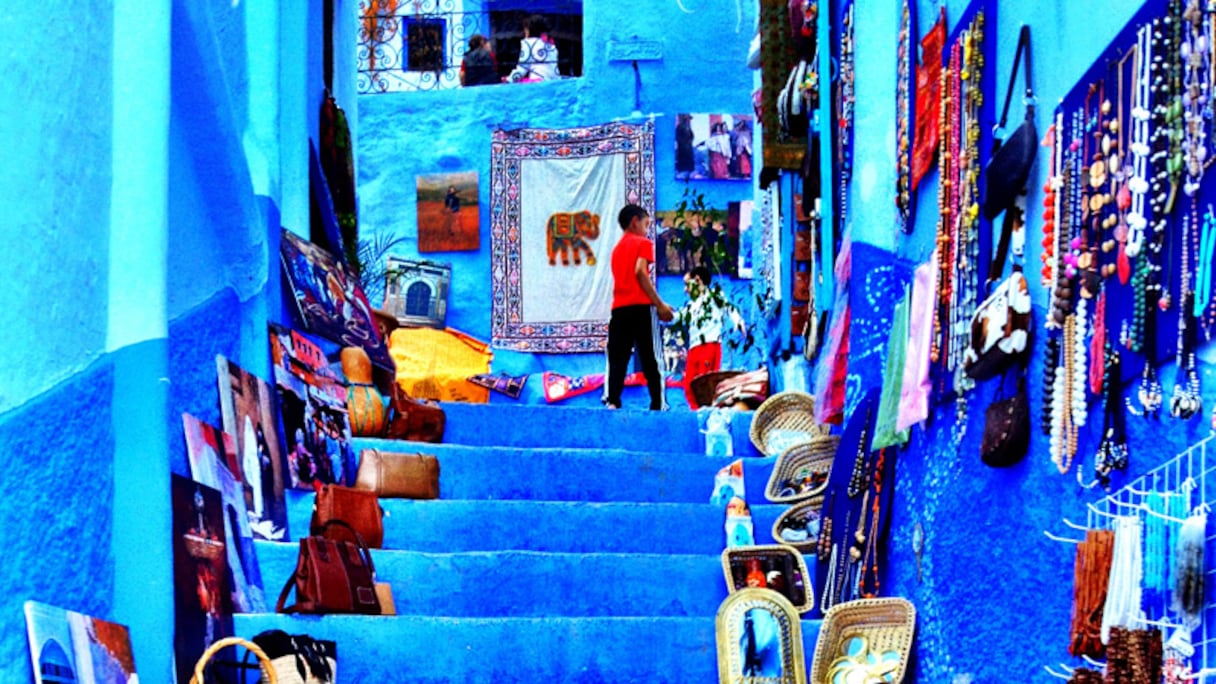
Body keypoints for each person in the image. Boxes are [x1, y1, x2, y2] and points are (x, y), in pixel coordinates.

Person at [605, 204, 674, 410]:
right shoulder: (643, 243)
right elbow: (640, 273)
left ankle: (613, 401)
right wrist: (660, 305)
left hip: (619, 310)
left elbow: (629, 280)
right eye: (646, 224)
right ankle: (658, 403)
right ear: (635, 221)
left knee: (618, 357)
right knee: (651, 356)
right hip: (641, 309)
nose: (647, 229)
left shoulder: (616, 250)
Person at [680, 266, 746, 408]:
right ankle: (696, 413)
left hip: (709, 345)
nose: (685, 290)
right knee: (689, 386)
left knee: (705, 385)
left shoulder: (714, 296)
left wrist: (738, 321)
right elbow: (677, 318)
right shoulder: (690, 306)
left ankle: (707, 413)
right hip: (693, 348)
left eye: (687, 285)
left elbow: (729, 308)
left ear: (697, 280)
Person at [508, 15, 559, 82]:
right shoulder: (550, 44)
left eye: (525, 29)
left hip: (537, 84)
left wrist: (509, 80)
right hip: (554, 82)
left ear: (529, 30)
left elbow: (522, 68)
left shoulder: (528, 44)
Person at [676, 115, 696, 179]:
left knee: (689, 159)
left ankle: (689, 171)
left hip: (688, 146)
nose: (689, 120)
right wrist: (683, 143)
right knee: (683, 160)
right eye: (688, 119)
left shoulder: (689, 127)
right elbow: (678, 137)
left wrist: (690, 141)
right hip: (682, 147)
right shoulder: (680, 126)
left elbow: (692, 136)